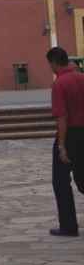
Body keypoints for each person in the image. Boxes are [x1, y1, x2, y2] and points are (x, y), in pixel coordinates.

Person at [47, 46, 84, 237]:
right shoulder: (81, 77)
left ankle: (69, 225)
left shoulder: (60, 84)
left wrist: (61, 146)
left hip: (70, 135)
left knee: (61, 181)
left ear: (53, 62)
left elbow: (61, 117)